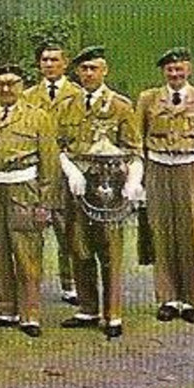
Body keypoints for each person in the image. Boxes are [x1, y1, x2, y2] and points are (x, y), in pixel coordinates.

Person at [136, 47, 194, 326]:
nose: (175, 74)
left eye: (180, 69)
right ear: (164, 72)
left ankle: (190, 300)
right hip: (158, 169)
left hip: (191, 170)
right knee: (161, 232)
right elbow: (137, 141)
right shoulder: (148, 99)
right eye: (170, 70)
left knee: (189, 235)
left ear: (189, 70)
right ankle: (168, 298)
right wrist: (137, 179)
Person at [56, 46, 142, 339]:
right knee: (78, 246)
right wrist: (70, 171)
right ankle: (87, 307)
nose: (89, 74)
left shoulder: (120, 105)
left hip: (109, 186)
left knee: (110, 250)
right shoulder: (67, 105)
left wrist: (133, 182)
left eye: (94, 68)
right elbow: (58, 145)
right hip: (77, 185)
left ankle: (113, 313)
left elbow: (134, 150)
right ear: (77, 72)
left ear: (105, 71)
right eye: (84, 69)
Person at [0, 64, 57, 337]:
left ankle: (30, 314)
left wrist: (45, 203)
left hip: (23, 191)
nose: (6, 89)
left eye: (12, 83)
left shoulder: (38, 117)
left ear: (22, 85)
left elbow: (50, 163)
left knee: (26, 252)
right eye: (0, 84)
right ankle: (6, 308)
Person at [21, 41, 79, 306]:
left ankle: (72, 284)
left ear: (65, 63)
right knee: (33, 230)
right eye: (44, 60)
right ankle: (32, 284)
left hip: (68, 173)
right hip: (37, 174)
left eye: (55, 60)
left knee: (69, 230)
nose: (49, 64)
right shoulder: (29, 96)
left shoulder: (77, 95)